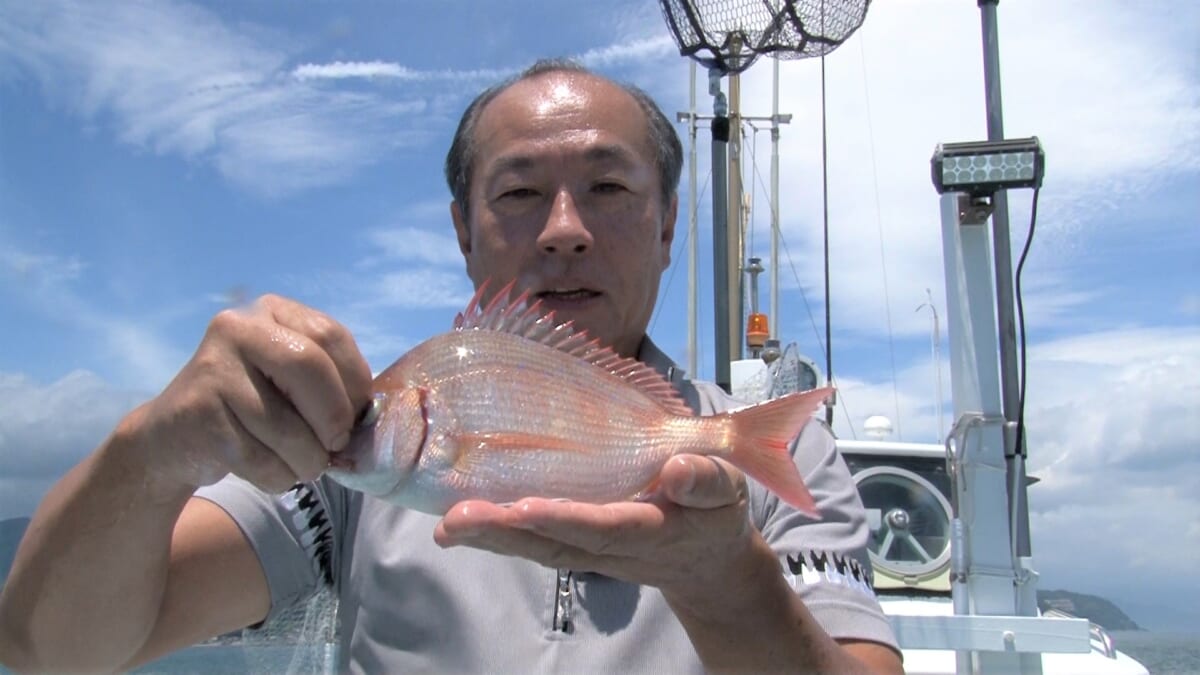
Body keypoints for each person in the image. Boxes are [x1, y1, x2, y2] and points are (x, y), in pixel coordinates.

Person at [0, 59, 903, 674]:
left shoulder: (775, 454)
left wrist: (723, 575)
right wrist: (150, 452)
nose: (563, 228)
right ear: (463, 232)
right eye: (516, 193)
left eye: (609, 187)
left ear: (668, 226)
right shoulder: (344, 456)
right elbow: (49, 651)